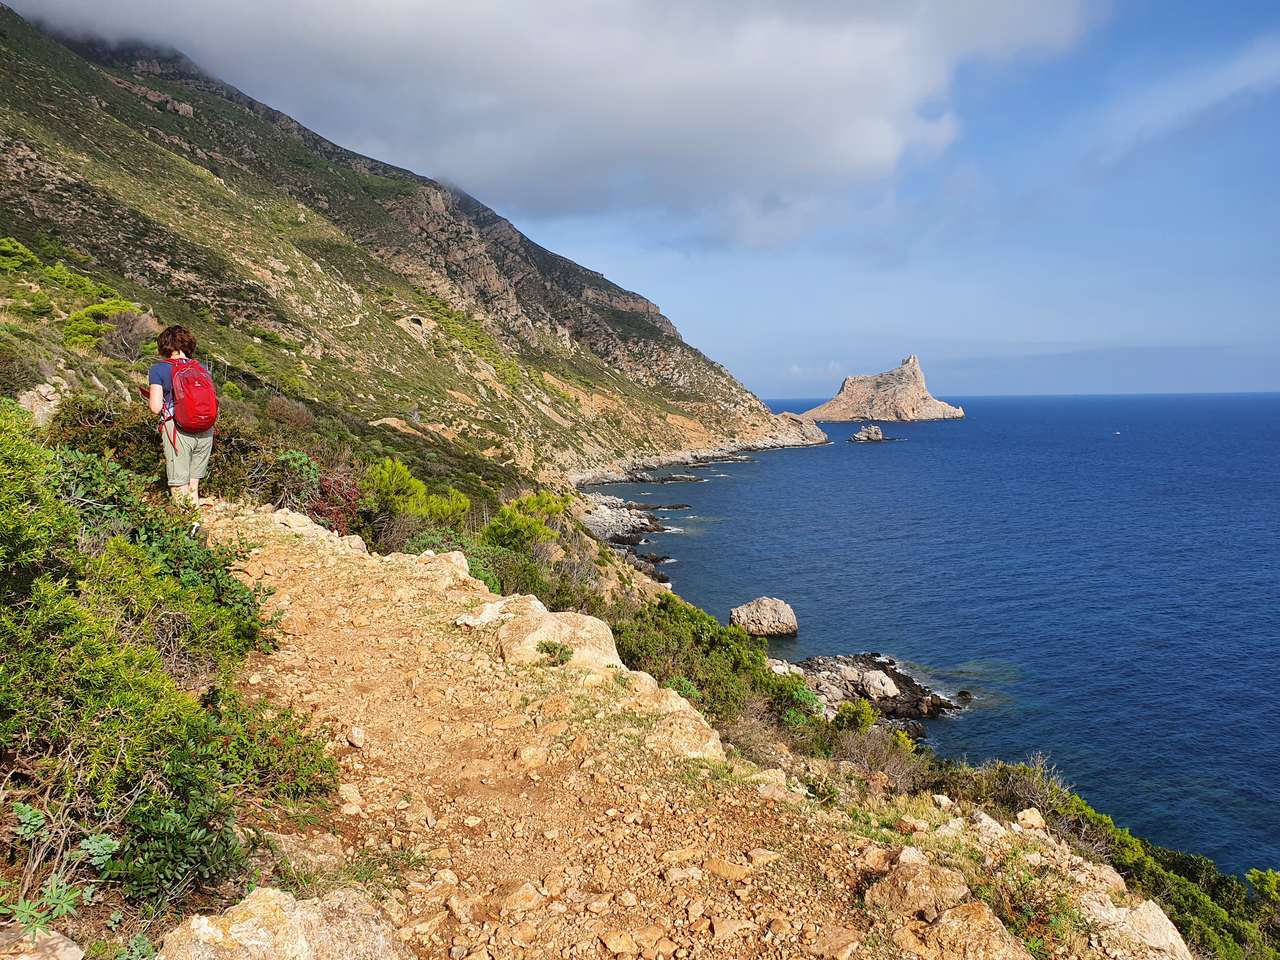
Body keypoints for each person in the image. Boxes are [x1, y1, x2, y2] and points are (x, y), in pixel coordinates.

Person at [148, 324, 215, 508]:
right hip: (206, 428)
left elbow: (155, 407)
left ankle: (185, 523)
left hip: (178, 429)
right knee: (193, 483)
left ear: (164, 345)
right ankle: (194, 519)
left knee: (179, 483)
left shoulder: (158, 369)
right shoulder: (201, 367)